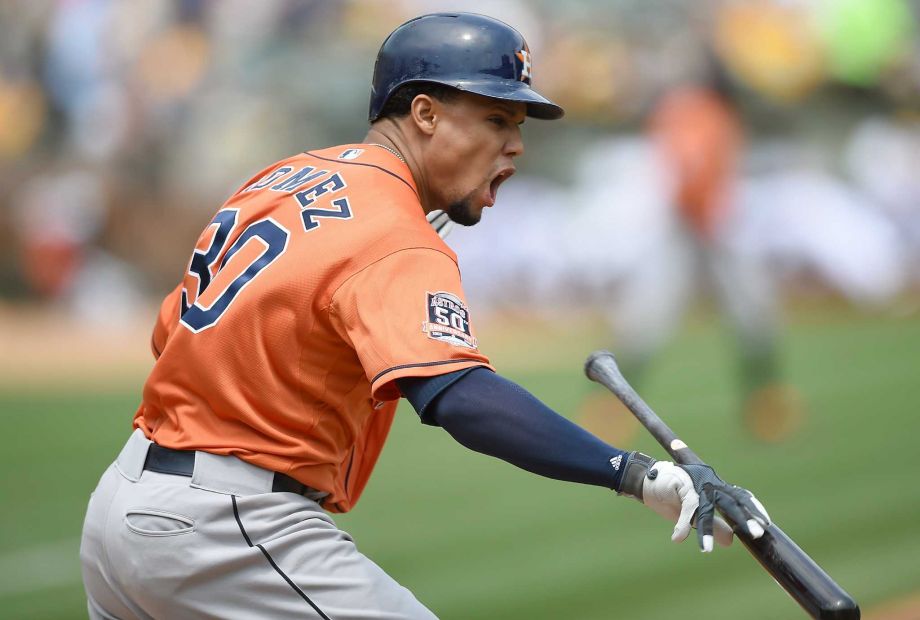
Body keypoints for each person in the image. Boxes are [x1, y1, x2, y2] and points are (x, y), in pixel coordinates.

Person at [80, 13, 770, 619]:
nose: (516, 146)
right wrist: (637, 474)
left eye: (519, 126)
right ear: (425, 114)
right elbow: (458, 397)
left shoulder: (282, 177)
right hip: (228, 528)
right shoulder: (395, 229)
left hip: (120, 507)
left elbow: (170, 333)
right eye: (497, 119)